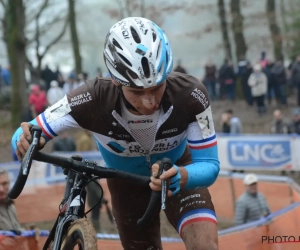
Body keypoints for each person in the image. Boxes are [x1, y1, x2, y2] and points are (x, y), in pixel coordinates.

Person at [11, 17, 220, 250]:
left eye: (157, 87)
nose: (150, 101)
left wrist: (182, 175)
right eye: (137, 92)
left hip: (179, 170)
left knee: (205, 246)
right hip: (125, 185)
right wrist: (26, 140)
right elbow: (24, 133)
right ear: (115, 80)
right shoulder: (91, 98)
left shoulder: (190, 95)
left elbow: (209, 165)